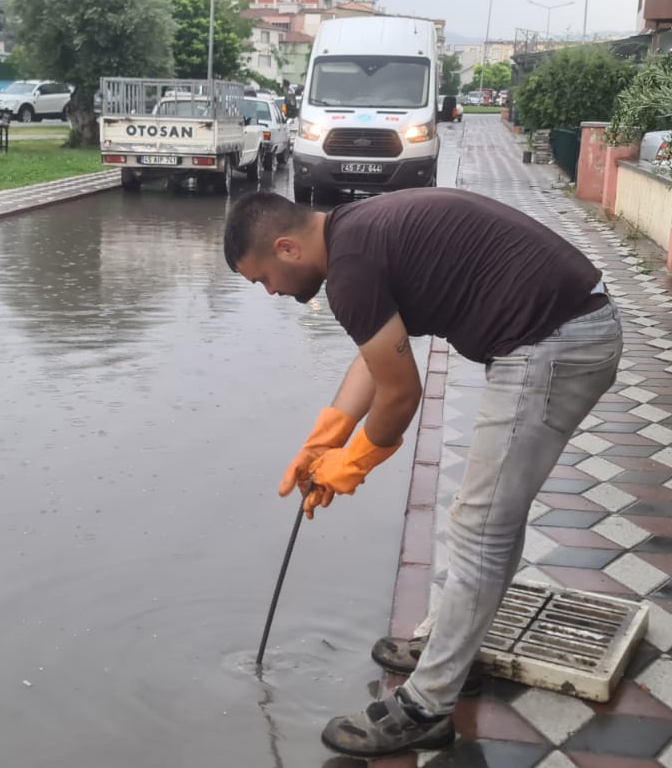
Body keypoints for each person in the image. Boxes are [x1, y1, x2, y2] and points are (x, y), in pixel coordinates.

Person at [223, 188, 622, 759]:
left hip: (557, 341)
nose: (273, 293)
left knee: (481, 526)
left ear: (286, 248)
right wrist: (325, 439)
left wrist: (353, 463)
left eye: (263, 278)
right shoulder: (352, 233)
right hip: (563, 328)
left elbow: (401, 392)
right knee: (490, 519)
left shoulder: (350, 271)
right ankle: (454, 652)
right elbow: (376, 356)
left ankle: (426, 708)